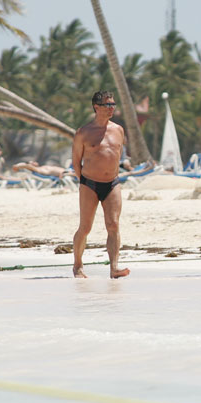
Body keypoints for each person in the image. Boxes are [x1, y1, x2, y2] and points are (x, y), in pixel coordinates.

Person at [70, 91, 130, 280]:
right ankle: (78, 265)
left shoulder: (118, 130)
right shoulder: (84, 132)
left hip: (112, 183)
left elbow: (118, 155)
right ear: (96, 107)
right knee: (85, 227)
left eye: (113, 104)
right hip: (89, 184)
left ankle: (114, 268)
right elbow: (76, 161)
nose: (112, 108)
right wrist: (84, 182)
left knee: (113, 224)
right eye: (107, 105)